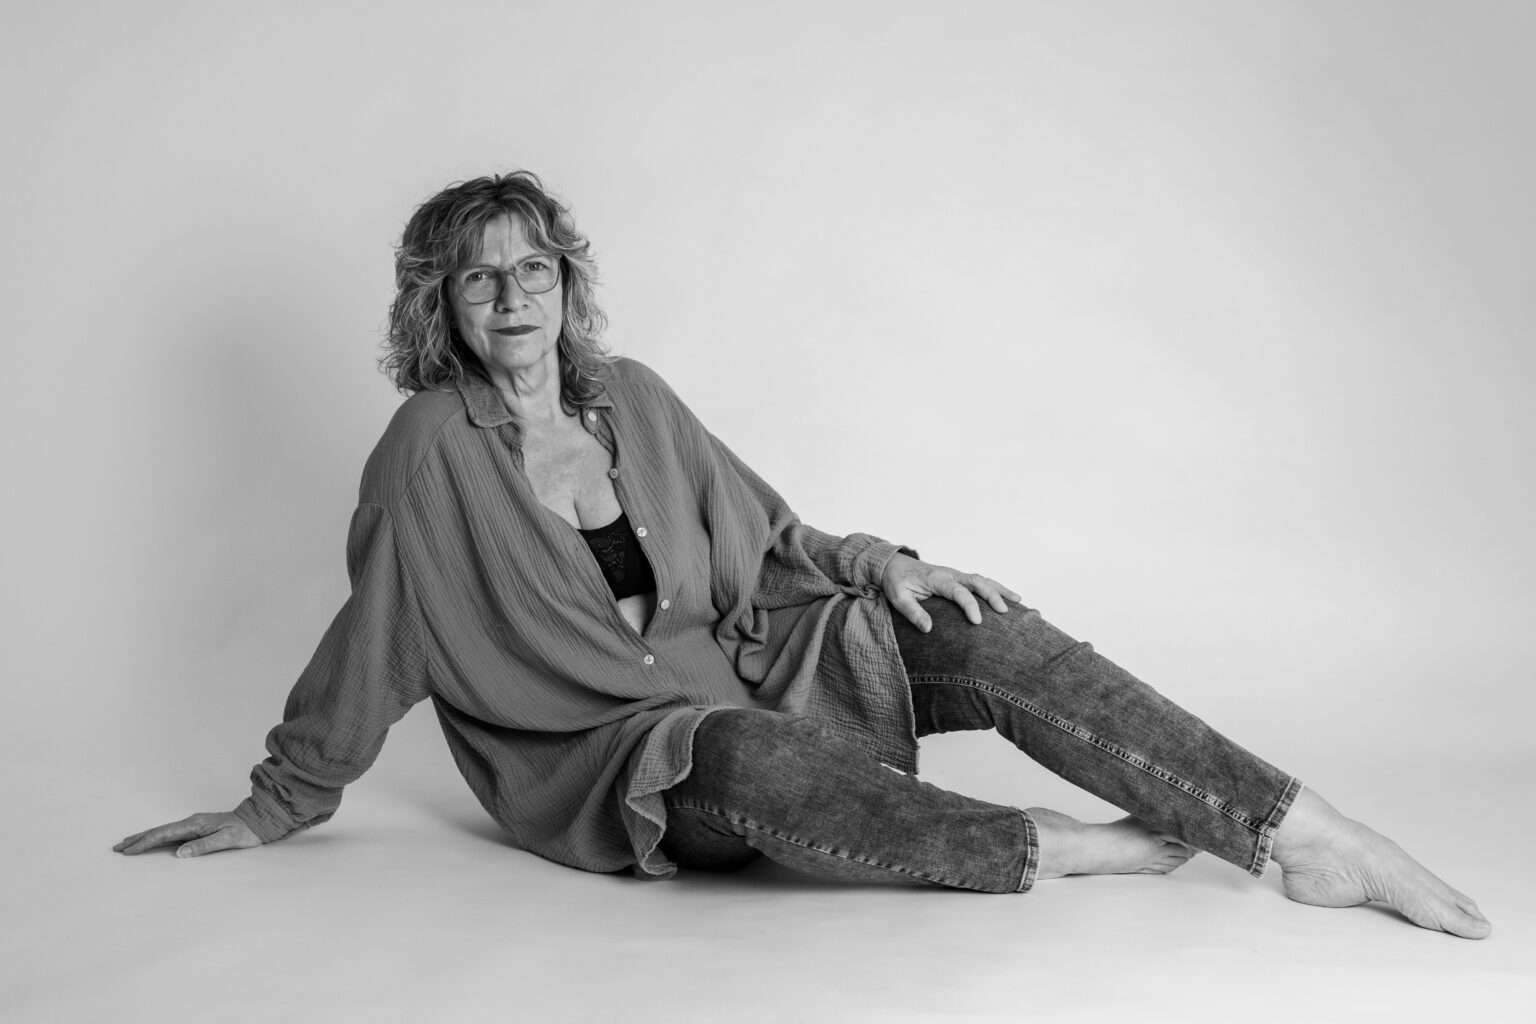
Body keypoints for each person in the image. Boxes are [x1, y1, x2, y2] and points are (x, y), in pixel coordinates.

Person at [114, 171, 1490, 939]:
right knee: (733, 752)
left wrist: (883, 566)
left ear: (567, 284)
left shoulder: (634, 396)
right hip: (633, 766)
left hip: (772, 675)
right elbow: (378, 633)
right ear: (444, 304)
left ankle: (1303, 835)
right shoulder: (427, 449)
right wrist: (278, 802)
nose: (514, 295)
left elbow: (770, 540)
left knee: (977, 620)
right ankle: (1067, 850)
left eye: (535, 269)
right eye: (481, 276)